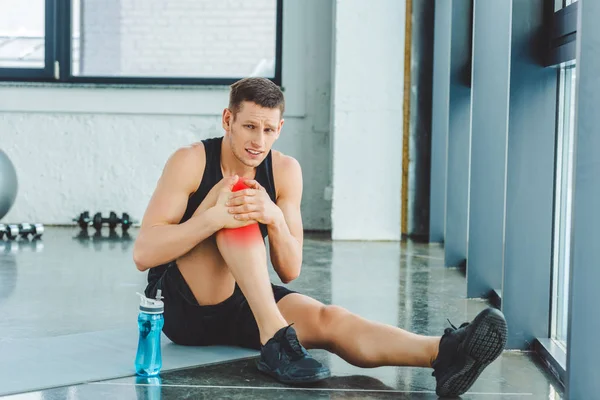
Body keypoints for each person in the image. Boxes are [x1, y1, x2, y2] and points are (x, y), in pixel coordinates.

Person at [133, 77, 507, 397]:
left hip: (245, 296)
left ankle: (443, 353)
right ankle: (275, 337)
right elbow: (144, 253)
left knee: (330, 319)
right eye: (248, 127)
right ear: (228, 120)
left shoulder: (285, 171)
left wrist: (275, 218)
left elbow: (290, 269)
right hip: (184, 305)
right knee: (236, 195)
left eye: (268, 130)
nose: (257, 141)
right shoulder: (191, 160)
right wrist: (213, 218)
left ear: (279, 128)